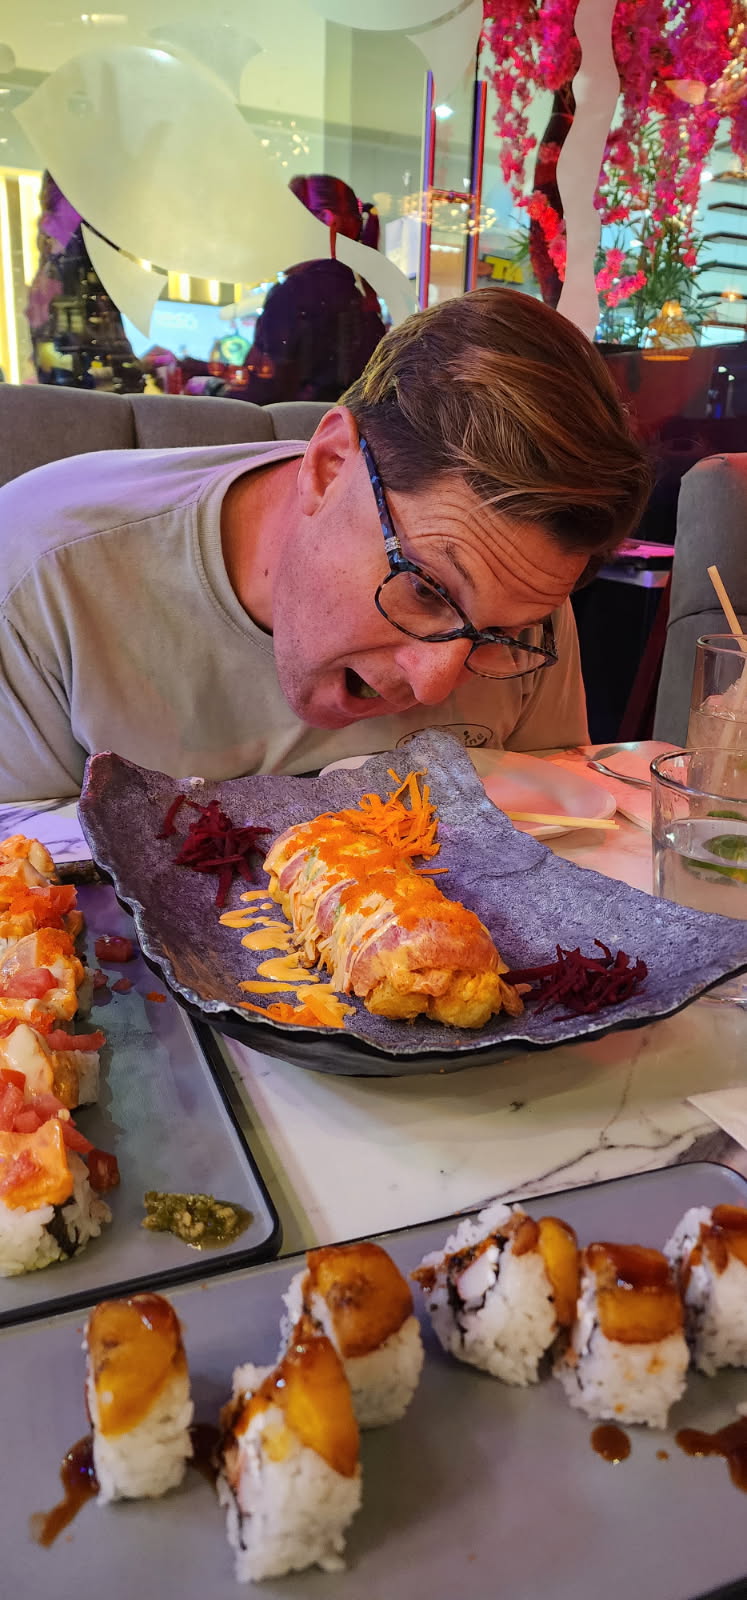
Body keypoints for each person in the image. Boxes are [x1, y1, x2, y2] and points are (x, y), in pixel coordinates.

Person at [0, 287, 649, 802]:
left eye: (496, 636)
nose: (434, 686)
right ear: (330, 467)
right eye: (426, 588)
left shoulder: (526, 599)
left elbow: (558, 845)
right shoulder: (43, 568)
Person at [226, 173, 386, 405]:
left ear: (326, 220)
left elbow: (263, 396)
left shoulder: (291, 297)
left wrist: (207, 394)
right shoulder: (362, 303)